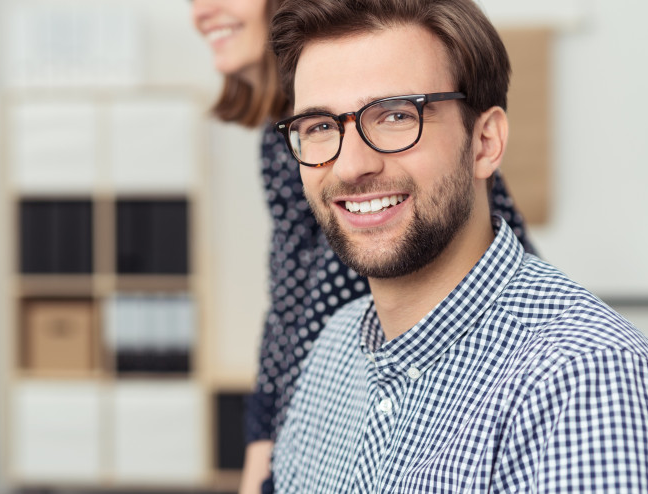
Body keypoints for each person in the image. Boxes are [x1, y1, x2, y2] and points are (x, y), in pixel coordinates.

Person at [265, 0, 648, 491]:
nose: (351, 167)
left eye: (394, 116)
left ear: (485, 143)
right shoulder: (334, 350)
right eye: (320, 127)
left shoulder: (586, 381)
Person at [189, 0, 538, 492]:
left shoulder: (570, 376)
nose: (204, 9)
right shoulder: (283, 142)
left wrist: (269, 451)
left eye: (393, 116)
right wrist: (263, 442)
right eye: (317, 127)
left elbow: (347, 286)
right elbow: (288, 301)